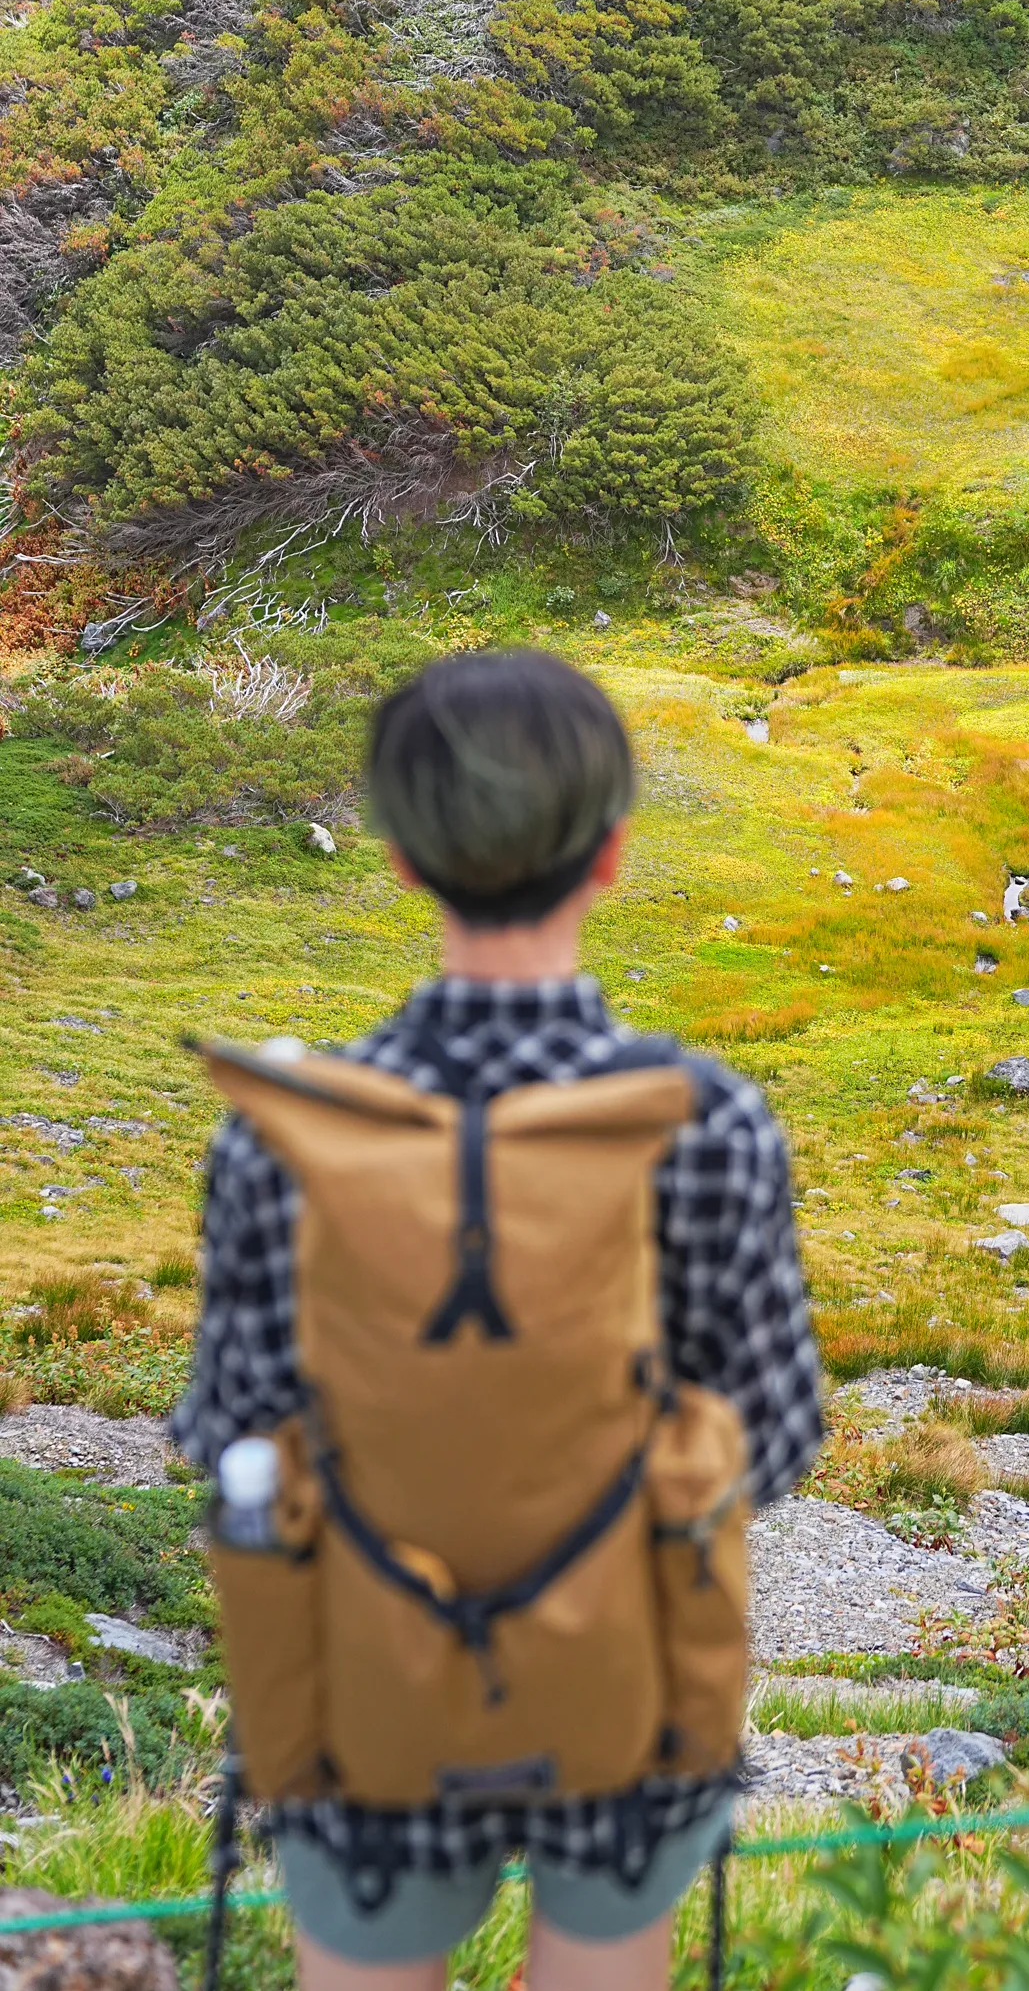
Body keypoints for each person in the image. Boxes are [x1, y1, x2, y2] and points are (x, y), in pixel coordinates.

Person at [174, 649, 822, 1991]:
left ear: (404, 861)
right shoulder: (705, 1122)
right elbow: (772, 1441)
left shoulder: (284, 1139)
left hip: (360, 1701)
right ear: (611, 857)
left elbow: (231, 1435)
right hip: (627, 1691)